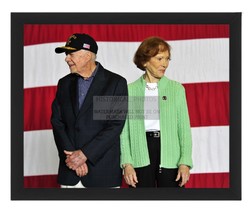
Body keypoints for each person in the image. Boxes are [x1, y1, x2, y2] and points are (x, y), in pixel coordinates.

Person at [51, 33, 128, 188]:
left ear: (87, 56)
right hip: (70, 171)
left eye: (71, 54)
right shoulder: (64, 83)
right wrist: (73, 158)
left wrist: (85, 155)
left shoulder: (115, 83)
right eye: (66, 55)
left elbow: (114, 126)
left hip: (102, 173)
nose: (66, 59)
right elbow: (57, 122)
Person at [120, 36, 193, 188]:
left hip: (170, 154)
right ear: (145, 61)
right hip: (140, 153)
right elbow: (124, 132)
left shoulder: (176, 89)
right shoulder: (130, 90)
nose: (165, 64)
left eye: (167, 59)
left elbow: (184, 130)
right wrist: (127, 163)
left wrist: (185, 162)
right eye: (160, 58)